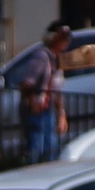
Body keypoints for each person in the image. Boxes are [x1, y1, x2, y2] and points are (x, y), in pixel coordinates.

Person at [21, 20, 71, 164]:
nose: (65, 42)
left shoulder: (58, 60)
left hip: (49, 110)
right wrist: (32, 102)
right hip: (38, 110)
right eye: (62, 37)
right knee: (37, 148)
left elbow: (57, 90)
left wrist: (61, 114)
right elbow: (26, 83)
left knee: (51, 148)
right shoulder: (41, 57)